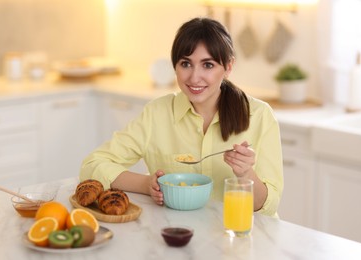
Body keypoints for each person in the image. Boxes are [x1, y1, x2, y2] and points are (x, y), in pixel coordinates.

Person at [80, 17, 283, 217]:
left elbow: (268, 206)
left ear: (228, 67)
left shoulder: (259, 116)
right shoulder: (157, 113)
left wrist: (246, 173)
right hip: (178, 235)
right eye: (186, 64)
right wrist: (146, 184)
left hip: (238, 236)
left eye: (208, 65)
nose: (194, 77)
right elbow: (92, 165)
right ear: (175, 66)